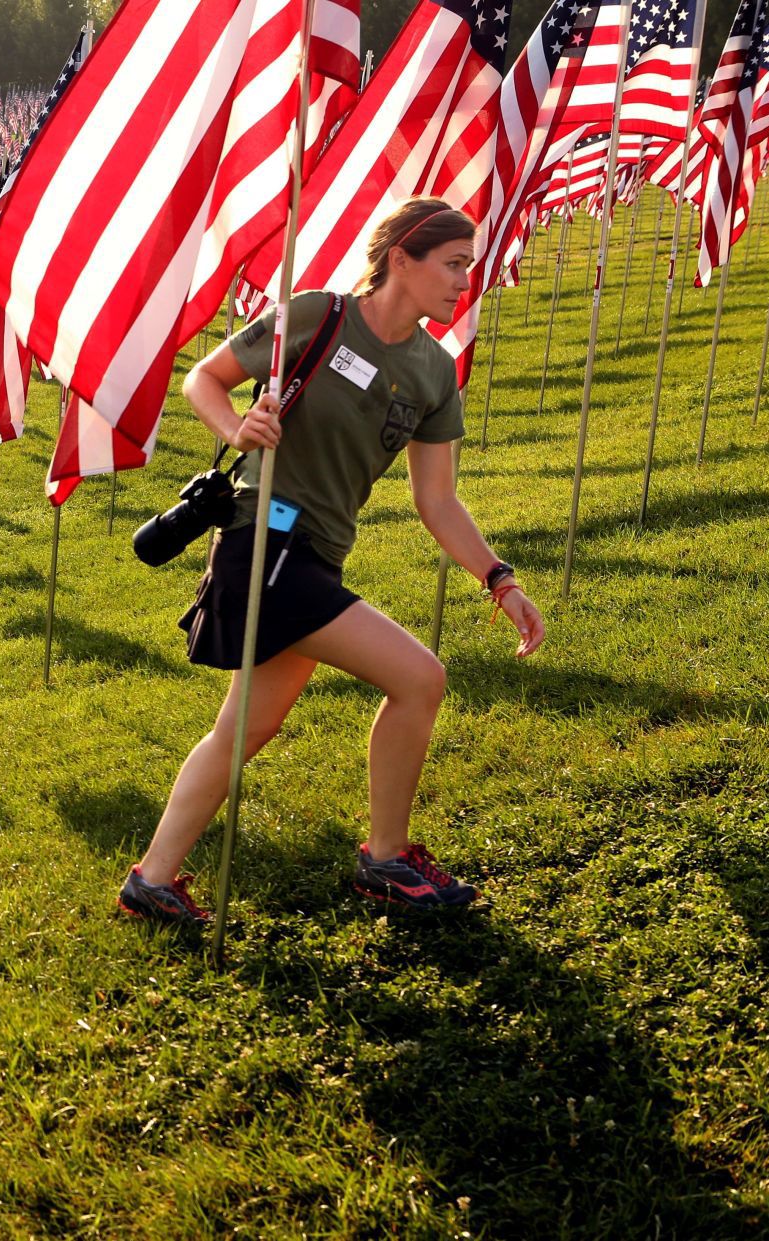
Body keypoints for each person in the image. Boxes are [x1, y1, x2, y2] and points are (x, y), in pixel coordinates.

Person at [117, 196, 546, 926]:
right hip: (261, 541)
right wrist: (237, 424)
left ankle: (153, 881)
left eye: (468, 268)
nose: (461, 282)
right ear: (402, 259)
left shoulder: (436, 373)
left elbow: (437, 501)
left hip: (316, 559)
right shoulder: (320, 315)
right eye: (451, 265)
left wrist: (499, 578)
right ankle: (385, 858)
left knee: (243, 729)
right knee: (420, 677)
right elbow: (203, 378)